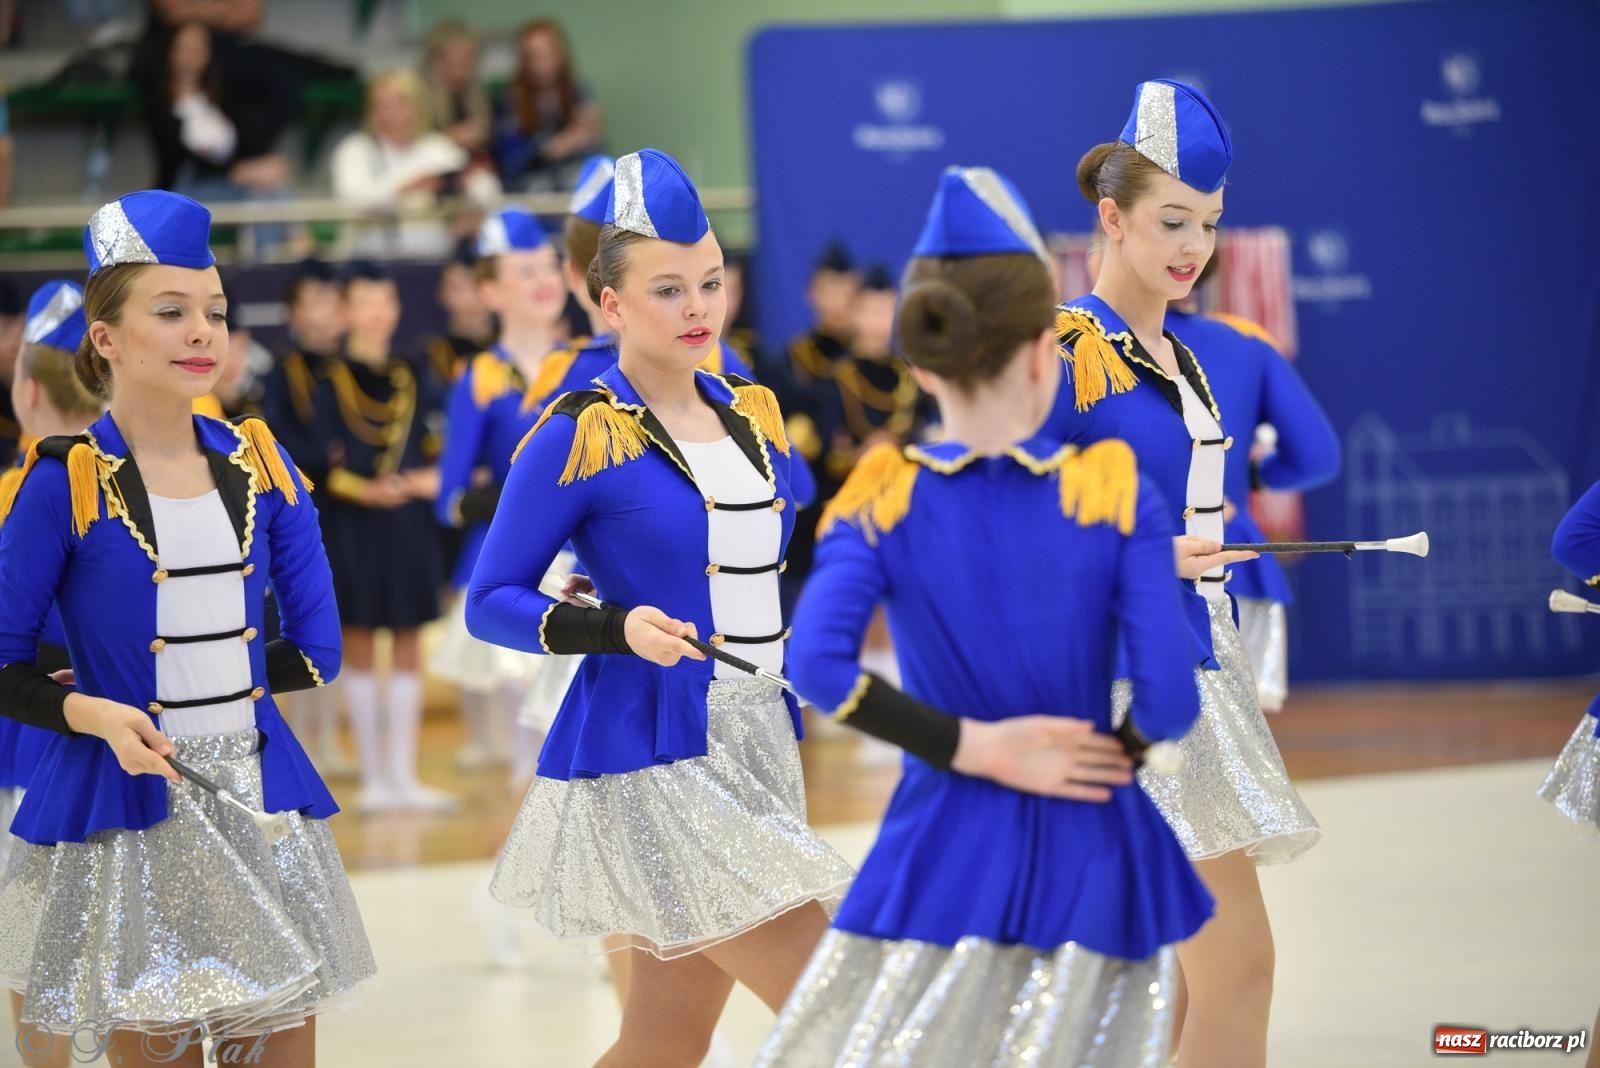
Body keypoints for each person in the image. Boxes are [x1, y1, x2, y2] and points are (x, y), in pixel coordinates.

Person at [759, 163, 1215, 1068]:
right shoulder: (1114, 491)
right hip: (1098, 844)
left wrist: (972, 748)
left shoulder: (880, 494)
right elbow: (1169, 702)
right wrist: (1105, 755)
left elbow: (814, 665)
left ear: (921, 362)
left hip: (940, 842)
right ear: (1049, 350)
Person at [467, 149, 853, 1067]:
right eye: (669, 289)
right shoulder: (578, 427)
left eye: (711, 284)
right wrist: (613, 626)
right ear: (610, 304)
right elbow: (490, 600)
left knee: (664, 1041)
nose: (698, 309)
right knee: (839, 1002)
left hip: (762, 731)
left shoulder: (750, 411)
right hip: (656, 751)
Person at [0, 190, 374, 1066]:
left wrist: (224, 692)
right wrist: (94, 711)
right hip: (130, 810)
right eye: (170, 313)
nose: (203, 331)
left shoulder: (262, 464)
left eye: (214, 311)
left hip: (258, 800)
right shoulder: (64, 480)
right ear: (106, 338)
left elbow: (318, 653)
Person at [1041, 80, 1316, 1067]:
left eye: (1207, 223)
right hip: (1125, 679)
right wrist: (1145, 556)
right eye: (1169, 221)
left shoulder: (1183, 353)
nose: (1192, 245)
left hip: (1199, 661)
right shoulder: (1063, 349)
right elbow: (996, 523)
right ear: (1108, 219)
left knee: (1171, 990)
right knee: (1233, 969)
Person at [0, 280, 101, 1068]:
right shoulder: (152, 482)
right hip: (137, 731)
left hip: (24, 741)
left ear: (26, 387)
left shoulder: (18, 489)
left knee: (32, 946)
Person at [431, 208, 570, 781]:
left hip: (584, 559)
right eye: (522, 272)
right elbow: (450, 498)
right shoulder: (480, 379)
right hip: (513, 560)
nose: (542, 281)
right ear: (489, 291)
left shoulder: (590, 362)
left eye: (548, 267)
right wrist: (525, 497)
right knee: (523, 748)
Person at [318, 262, 452, 813]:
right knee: (358, 646)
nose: (378, 314)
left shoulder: (415, 373)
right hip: (353, 524)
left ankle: (405, 776)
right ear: (345, 310)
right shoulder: (329, 380)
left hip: (405, 524)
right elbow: (317, 457)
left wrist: (426, 479)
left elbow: (441, 443)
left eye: (386, 301)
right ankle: (374, 778)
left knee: (405, 646)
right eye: (366, 302)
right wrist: (360, 488)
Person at [330, 68, 501, 259]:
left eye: (400, 103)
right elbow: (353, 202)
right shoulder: (356, 149)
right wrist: (408, 187)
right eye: (381, 105)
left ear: (418, 106)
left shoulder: (437, 148)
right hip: (371, 262)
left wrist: (467, 194)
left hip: (433, 260)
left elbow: (487, 189)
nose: (391, 113)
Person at [492, 20, 604, 193]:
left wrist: (590, 137)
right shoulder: (509, 100)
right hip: (530, 193)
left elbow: (597, 157)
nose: (540, 63)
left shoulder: (578, 94)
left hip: (573, 188)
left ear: (560, 55)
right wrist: (555, 148)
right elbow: (508, 163)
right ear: (523, 61)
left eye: (547, 54)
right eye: (533, 56)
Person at [421, 19, 491, 160]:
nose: (464, 65)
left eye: (469, 57)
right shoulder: (420, 94)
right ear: (438, 61)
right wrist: (449, 138)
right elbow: (411, 146)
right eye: (456, 58)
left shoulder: (474, 94)